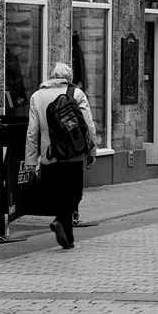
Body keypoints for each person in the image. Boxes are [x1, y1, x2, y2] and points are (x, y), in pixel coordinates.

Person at [25, 62, 97, 249]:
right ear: (69, 78)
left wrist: (31, 161)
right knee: (75, 193)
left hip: (50, 155)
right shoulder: (77, 94)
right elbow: (88, 125)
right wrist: (91, 150)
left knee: (58, 194)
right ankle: (61, 222)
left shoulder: (37, 96)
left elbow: (32, 132)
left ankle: (68, 240)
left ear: (51, 76)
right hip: (73, 154)